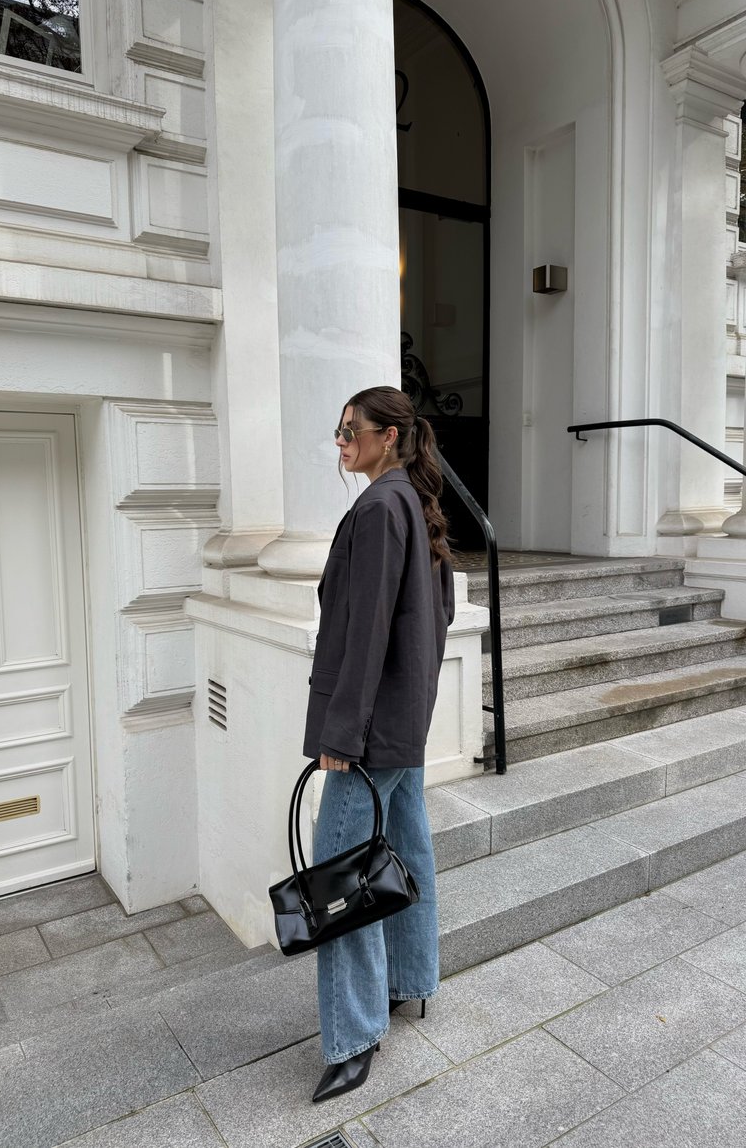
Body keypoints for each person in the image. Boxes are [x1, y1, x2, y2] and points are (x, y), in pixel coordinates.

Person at [303, 385, 455, 1103]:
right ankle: (408, 981)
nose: (340, 443)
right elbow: (442, 614)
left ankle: (356, 1035)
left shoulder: (376, 508)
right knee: (407, 847)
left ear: (387, 437)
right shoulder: (413, 505)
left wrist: (342, 732)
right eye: (337, 433)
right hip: (403, 723)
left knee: (340, 876)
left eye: (349, 431)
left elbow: (363, 631)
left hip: (368, 734)